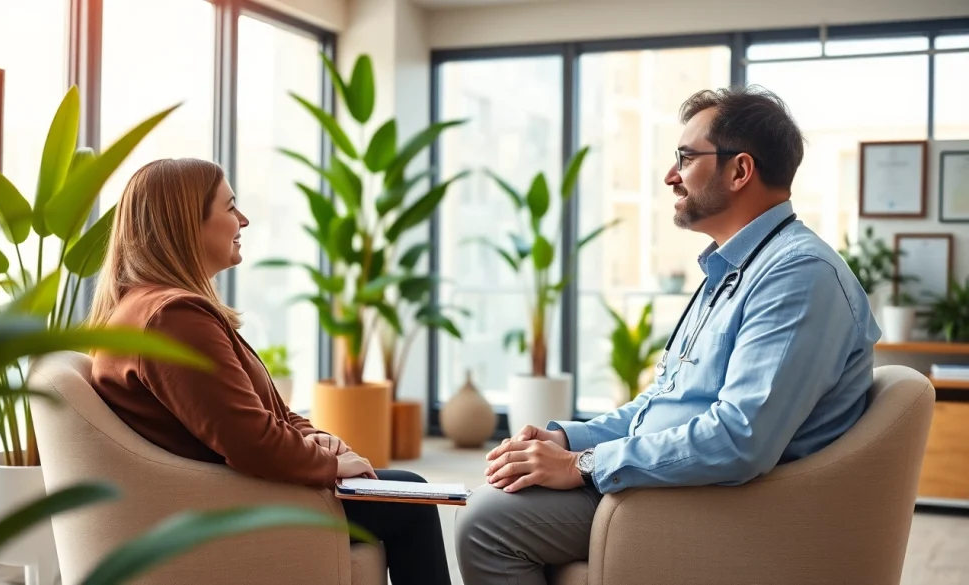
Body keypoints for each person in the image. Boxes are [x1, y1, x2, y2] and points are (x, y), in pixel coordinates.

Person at [454, 86, 881, 584]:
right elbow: (663, 403)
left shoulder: (797, 275)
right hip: (683, 484)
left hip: (729, 504)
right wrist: (567, 438)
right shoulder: (733, 269)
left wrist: (582, 463)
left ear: (740, 170)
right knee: (495, 495)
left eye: (686, 158)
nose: (670, 176)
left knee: (487, 522)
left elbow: (740, 439)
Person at [87, 158, 450, 585]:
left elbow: (261, 411)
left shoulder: (153, 308)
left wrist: (316, 438)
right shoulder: (174, 318)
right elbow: (251, 442)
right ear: (186, 224)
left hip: (225, 493)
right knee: (411, 496)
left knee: (404, 489)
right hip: (229, 505)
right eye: (230, 207)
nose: (243, 219)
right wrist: (329, 466)